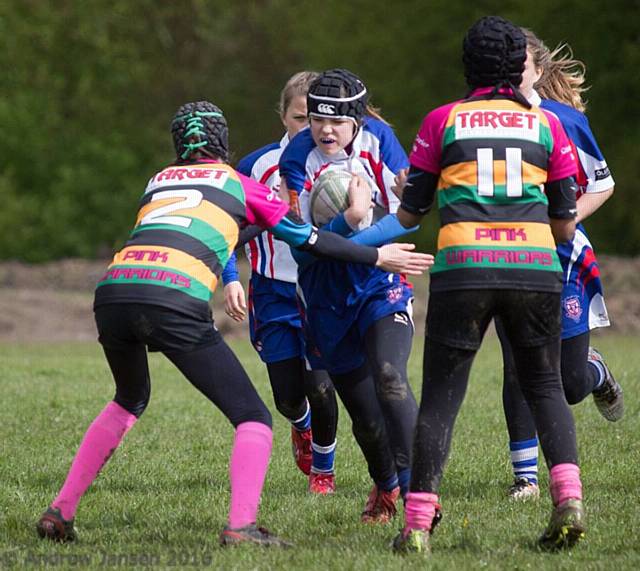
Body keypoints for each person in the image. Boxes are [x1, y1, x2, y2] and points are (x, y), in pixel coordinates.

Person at [34, 100, 433, 546]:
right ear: (222, 142)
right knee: (253, 418)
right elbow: (311, 242)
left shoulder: (158, 182)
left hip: (114, 292)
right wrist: (375, 254)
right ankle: (241, 527)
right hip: (173, 296)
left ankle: (59, 512)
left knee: (128, 400)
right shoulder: (239, 183)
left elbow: (213, 231)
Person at [390, 16, 586, 554]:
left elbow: (410, 215)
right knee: (544, 386)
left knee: (440, 400)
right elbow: (566, 223)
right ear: (520, 68)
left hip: (463, 270)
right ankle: (568, 499)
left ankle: (416, 526)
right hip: (534, 270)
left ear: (468, 65)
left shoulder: (442, 121)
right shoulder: (550, 127)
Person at [279, 68, 422, 523]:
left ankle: (421, 493)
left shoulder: (383, 141)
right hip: (325, 298)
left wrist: (363, 245)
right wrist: (353, 220)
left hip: (381, 288)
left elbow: (409, 218)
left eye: (338, 120)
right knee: (364, 417)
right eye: (318, 119)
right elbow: (304, 254)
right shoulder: (295, 161)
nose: (325, 129)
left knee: (390, 376)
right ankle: (385, 485)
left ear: (357, 118)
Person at [500, 28, 623, 500]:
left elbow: (602, 184)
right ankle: (526, 478)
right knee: (518, 367)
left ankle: (594, 371)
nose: (510, 75)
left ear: (538, 69)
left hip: (563, 260)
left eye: (520, 65)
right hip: (506, 258)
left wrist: (563, 222)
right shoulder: (479, 122)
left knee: (569, 384)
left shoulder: (565, 121)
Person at [221, 71, 340, 494]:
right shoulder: (257, 165)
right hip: (273, 291)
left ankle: (323, 473)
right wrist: (231, 276)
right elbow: (226, 228)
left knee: (321, 384)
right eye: (300, 116)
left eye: (317, 116)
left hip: (323, 292)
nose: (310, 126)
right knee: (288, 395)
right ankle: (300, 423)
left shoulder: (342, 162)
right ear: (284, 116)